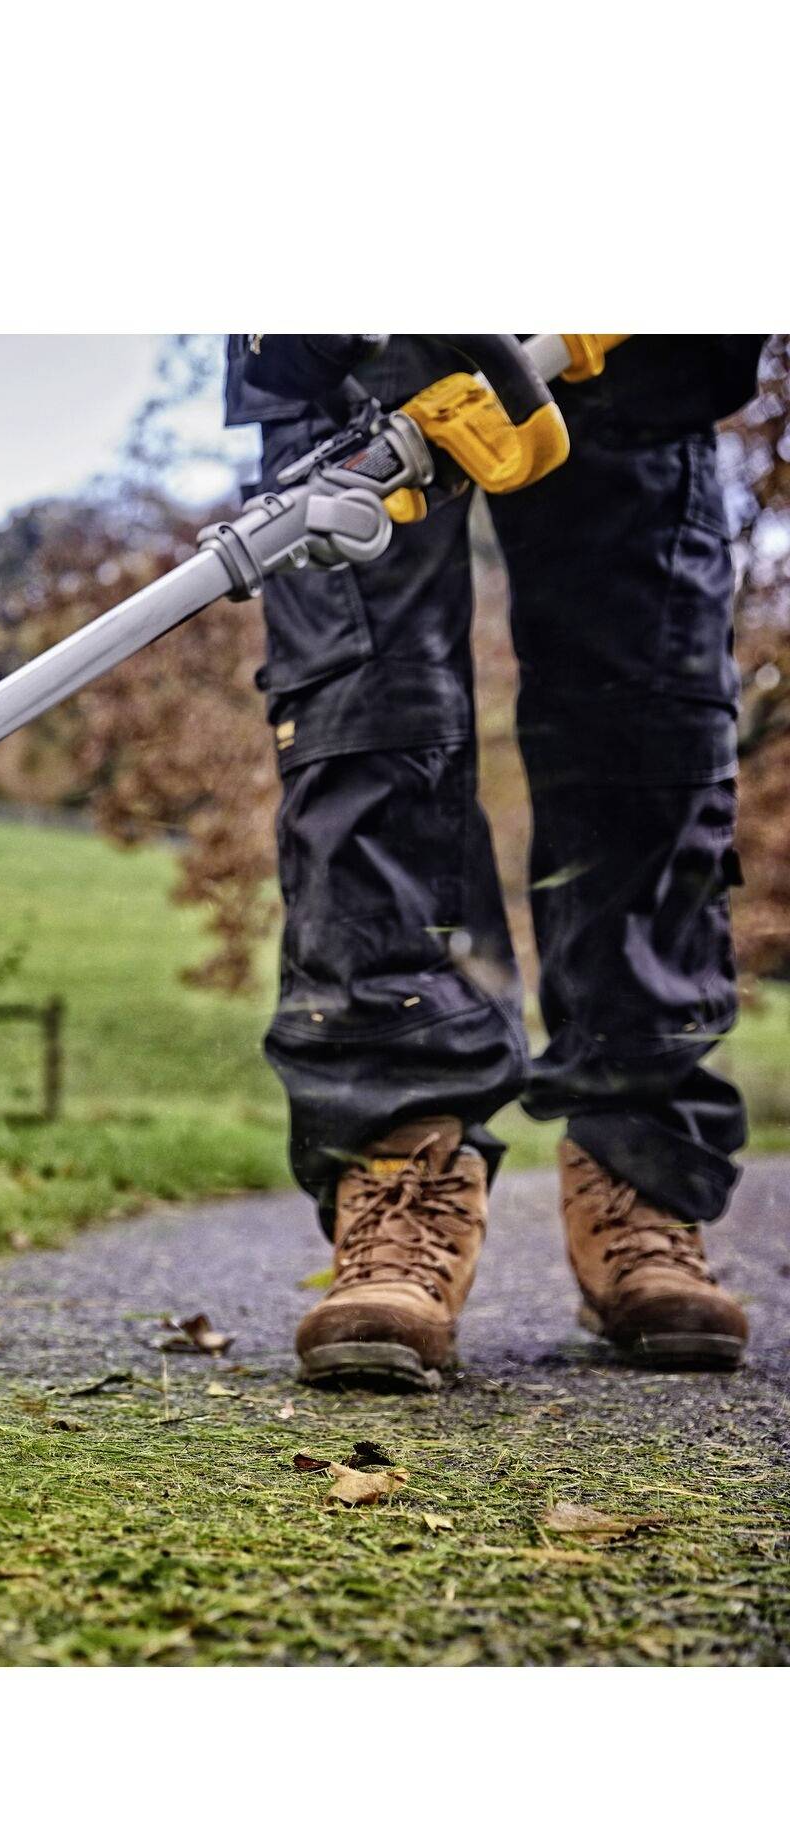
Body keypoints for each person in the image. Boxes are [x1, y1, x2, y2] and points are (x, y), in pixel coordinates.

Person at [224, 334, 767, 1391]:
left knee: (649, 742)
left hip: (632, 333)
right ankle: (399, 1160)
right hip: (355, 332)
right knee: (364, 731)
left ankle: (638, 1164)